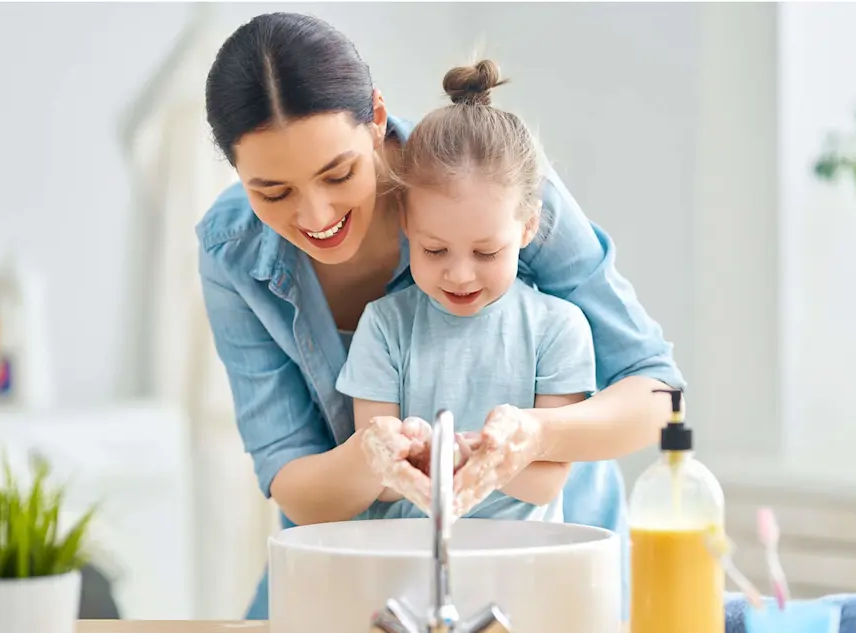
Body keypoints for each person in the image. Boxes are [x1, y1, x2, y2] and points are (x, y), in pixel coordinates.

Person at [199, 12, 685, 619]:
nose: (314, 213)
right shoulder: (233, 250)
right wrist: (368, 458)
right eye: (273, 192)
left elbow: (658, 393)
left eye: (338, 172)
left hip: (547, 565)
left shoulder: (494, 182)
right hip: (364, 568)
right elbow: (290, 477)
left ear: (376, 118)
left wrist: (538, 436)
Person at [336, 59, 598, 522]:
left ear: (528, 227)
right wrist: (407, 453)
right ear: (406, 223)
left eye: (486, 253)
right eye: (435, 250)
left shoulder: (558, 329)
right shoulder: (384, 326)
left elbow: (545, 482)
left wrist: (451, 454)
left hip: (523, 565)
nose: (460, 275)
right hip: (410, 561)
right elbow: (380, 484)